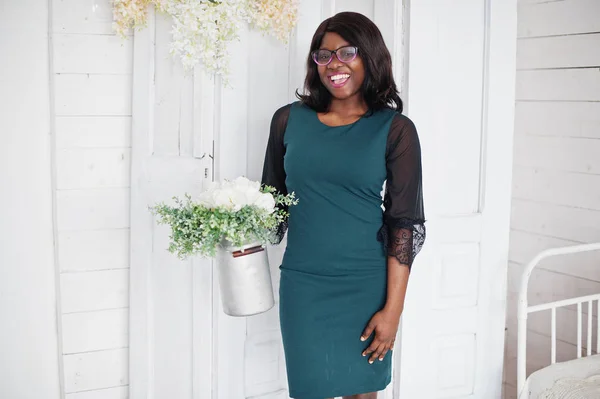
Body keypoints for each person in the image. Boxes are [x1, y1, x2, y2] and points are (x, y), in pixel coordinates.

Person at [261, 11, 426, 399]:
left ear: (370, 56)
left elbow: (403, 225)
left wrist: (393, 311)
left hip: (365, 286)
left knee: (361, 393)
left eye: (346, 52)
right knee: (309, 390)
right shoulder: (287, 120)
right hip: (303, 284)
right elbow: (269, 207)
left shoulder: (395, 129)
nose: (333, 64)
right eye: (323, 55)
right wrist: (225, 221)